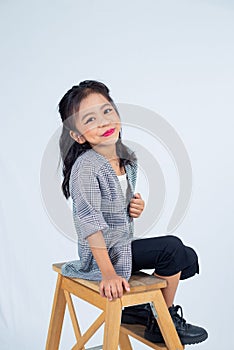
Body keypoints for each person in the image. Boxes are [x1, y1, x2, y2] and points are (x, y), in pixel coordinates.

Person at [58, 80, 208, 345]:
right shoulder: (87, 168)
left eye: (107, 111)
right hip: (103, 255)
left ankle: (141, 311)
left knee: (188, 258)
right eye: (90, 119)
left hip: (122, 245)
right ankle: (161, 321)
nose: (104, 122)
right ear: (78, 135)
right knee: (172, 249)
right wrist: (108, 274)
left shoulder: (125, 159)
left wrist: (132, 206)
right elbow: (89, 222)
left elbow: (116, 203)